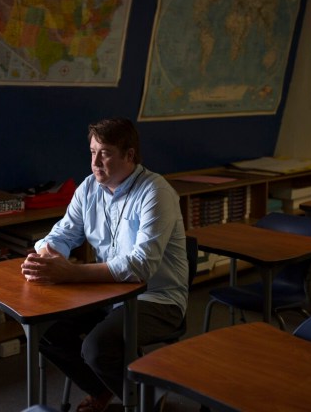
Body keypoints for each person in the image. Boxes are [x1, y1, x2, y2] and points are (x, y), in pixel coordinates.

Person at [22, 118, 188, 412]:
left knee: (97, 348)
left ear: (129, 155)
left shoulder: (155, 192)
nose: (96, 162)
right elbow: (61, 233)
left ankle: (151, 404)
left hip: (156, 299)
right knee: (42, 326)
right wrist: (47, 256)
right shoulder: (89, 189)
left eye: (106, 153)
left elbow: (140, 267)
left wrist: (71, 273)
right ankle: (104, 388)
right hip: (106, 293)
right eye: (92, 152)